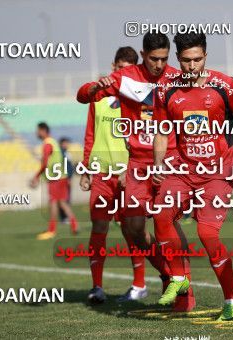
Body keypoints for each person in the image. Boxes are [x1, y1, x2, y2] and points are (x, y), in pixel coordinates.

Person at [152, 32, 233, 321]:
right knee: (160, 215)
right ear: (177, 59)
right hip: (181, 168)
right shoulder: (165, 89)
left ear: (205, 56)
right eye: (185, 61)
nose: (192, 66)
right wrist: (158, 164)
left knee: (207, 234)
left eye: (197, 59)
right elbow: (161, 132)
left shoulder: (225, 86)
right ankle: (179, 277)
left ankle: (231, 300)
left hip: (217, 172)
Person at [76, 33, 195, 311]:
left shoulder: (177, 79)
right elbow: (82, 97)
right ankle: (168, 274)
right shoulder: (125, 78)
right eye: (154, 59)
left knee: (168, 221)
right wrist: (95, 87)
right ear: (143, 55)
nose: (160, 64)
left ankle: (184, 286)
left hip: (171, 161)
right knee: (135, 229)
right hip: (137, 165)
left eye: (165, 59)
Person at [80, 47, 149, 303]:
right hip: (101, 174)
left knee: (131, 229)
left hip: (127, 175)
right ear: (113, 66)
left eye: (127, 69)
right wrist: (86, 169)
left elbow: (143, 138)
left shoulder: (138, 99)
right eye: (118, 68)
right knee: (99, 227)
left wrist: (130, 169)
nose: (122, 73)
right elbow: (90, 134)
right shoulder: (98, 97)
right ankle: (96, 286)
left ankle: (139, 284)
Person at [30, 122, 79, 240]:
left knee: (53, 203)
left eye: (37, 130)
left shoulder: (47, 144)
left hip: (55, 178)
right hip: (61, 176)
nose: (36, 133)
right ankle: (74, 225)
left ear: (43, 130)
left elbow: (45, 162)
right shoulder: (53, 142)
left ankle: (51, 230)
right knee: (62, 202)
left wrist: (36, 177)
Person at [58, 137, 74, 224]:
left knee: (65, 198)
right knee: (64, 199)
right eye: (66, 143)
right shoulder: (61, 153)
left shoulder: (66, 153)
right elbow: (66, 168)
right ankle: (65, 217)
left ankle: (64, 217)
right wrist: (68, 178)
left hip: (66, 179)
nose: (67, 144)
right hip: (64, 179)